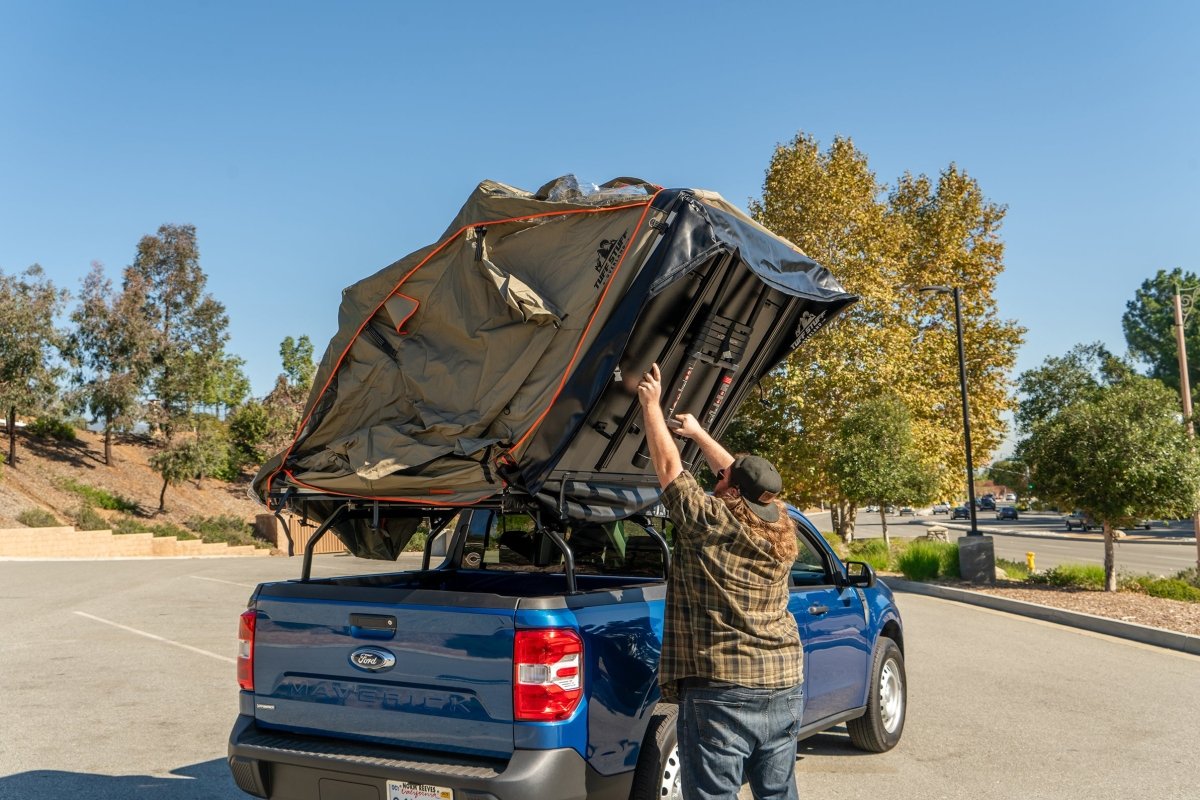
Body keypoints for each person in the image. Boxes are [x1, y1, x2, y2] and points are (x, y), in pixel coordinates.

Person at [636, 362, 804, 800]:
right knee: (777, 793)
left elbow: (669, 467)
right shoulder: (781, 524)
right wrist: (698, 432)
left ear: (729, 491)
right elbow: (743, 478)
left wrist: (651, 406)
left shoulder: (711, 522)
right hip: (783, 681)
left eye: (722, 479)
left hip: (724, 689)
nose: (718, 476)